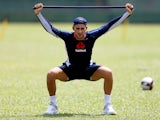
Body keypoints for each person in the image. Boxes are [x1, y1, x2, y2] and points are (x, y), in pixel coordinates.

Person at [33, 3, 134, 115]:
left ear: (86, 28)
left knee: (108, 73)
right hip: (70, 69)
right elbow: (50, 29)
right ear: (73, 28)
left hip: (88, 69)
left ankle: (107, 106)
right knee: (51, 74)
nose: (80, 31)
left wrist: (126, 14)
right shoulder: (67, 37)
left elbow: (110, 25)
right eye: (77, 29)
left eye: (82, 29)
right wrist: (39, 14)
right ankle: (53, 106)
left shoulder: (92, 35)